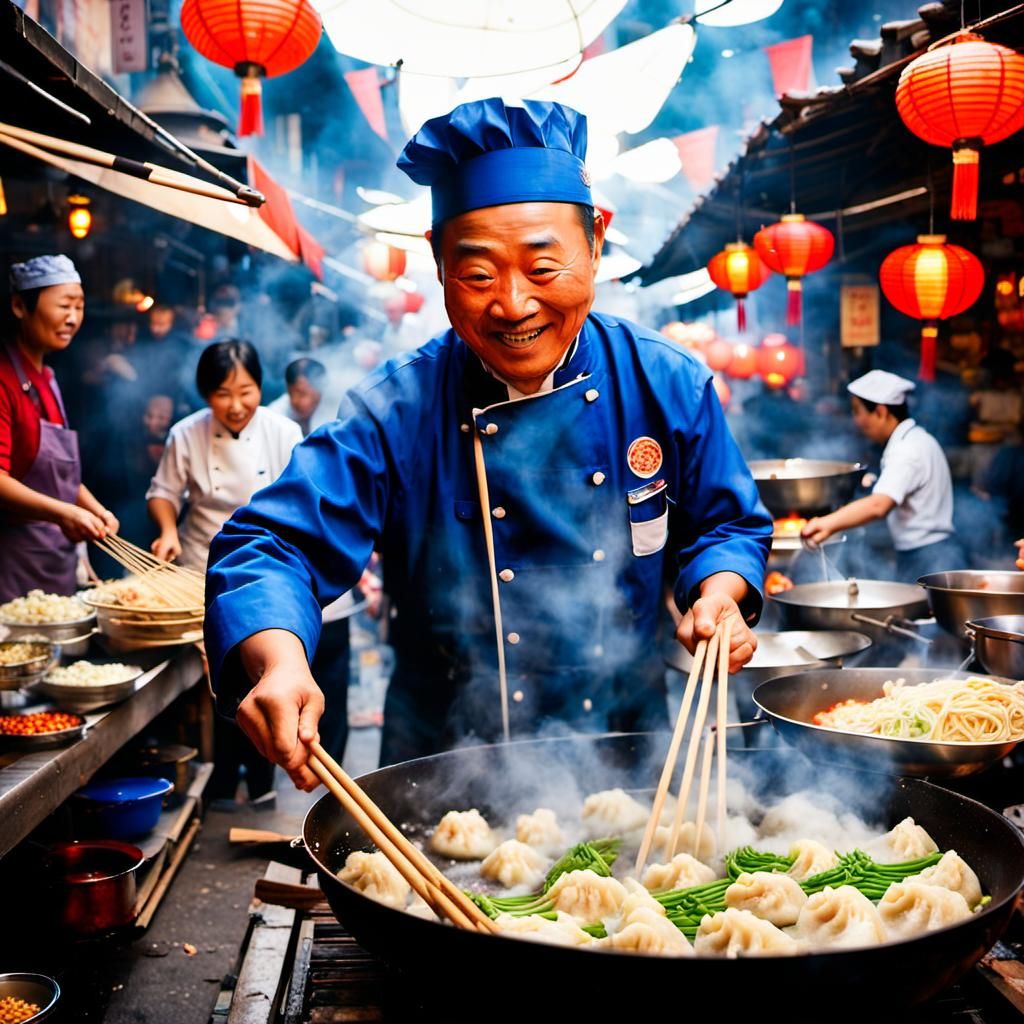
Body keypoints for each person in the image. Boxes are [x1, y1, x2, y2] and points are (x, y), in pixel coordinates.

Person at [204, 99, 772, 789]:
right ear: (438, 261)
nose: (511, 304)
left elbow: (725, 522)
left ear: (596, 241)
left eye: (542, 267)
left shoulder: (665, 384)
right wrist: (282, 657)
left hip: (629, 768)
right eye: (477, 275)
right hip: (445, 771)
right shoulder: (398, 409)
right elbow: (271, 544)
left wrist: (719, 589)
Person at [0, 255, 117, 602]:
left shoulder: (48, 379)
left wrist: (94, 509)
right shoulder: (4, 380)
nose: (73, 318)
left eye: (79, 307)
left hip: (58, 556)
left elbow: (58, 478)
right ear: (20, 306)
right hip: (15, 559)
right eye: (64, 305)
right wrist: (67, 513)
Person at [147, 339, 302, 570]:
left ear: (259, 388)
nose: (236, 407)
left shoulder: (285, 432)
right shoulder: (186, 433)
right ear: (206, 394)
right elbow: (164, 492)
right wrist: (168, 531)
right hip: (199, 561)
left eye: (245, 392)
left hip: (265, 560)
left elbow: (299, 500)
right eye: (224, 394)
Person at [802, 369, 965, 582]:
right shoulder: (915, 439)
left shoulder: (908, 449)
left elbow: (879, 506)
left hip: (928, 559)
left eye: (858, 411)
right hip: (926, 553)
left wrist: (826, 524)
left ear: (880, 411)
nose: (856, 420)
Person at [268, 357, 333, 437]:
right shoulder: (274, 415)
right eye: (290, 393)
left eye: (302, 393)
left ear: (320, 388)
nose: (295, 400)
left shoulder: (336, 412)